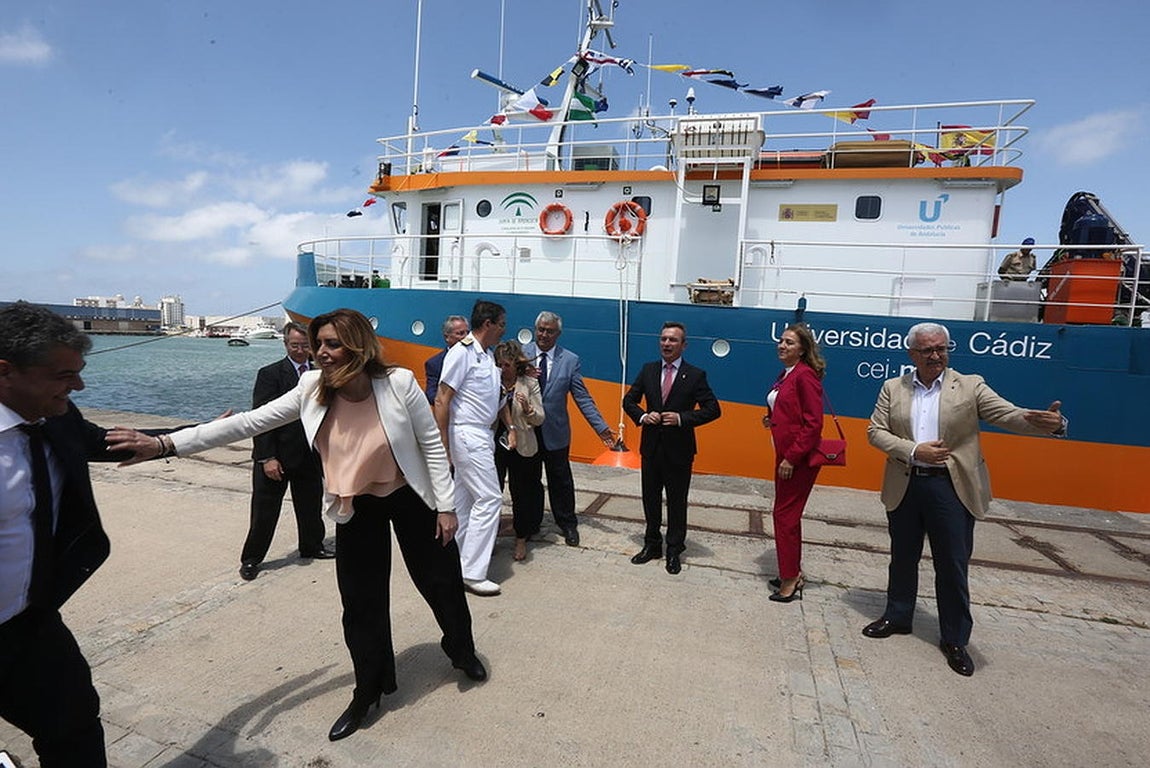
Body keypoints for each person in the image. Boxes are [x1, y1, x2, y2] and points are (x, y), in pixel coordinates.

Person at [110, 309, 486, 742]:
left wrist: (446, 505)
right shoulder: (310, 388)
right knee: (360, 604)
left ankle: (461, 650)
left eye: (331, 344)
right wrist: (164, 443)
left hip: (410, 497)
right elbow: (248, 422)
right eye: (317, 344)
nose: (320, 353)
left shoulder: (398, 384)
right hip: (355, 504)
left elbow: (431, 447)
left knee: (440, 583)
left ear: (358, 345)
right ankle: (369, 689)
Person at [0, 302, 168, 765]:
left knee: (74, 726)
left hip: (28, 623)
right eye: (62, 375)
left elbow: (105, 443)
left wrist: (187, 435)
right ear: (5, 371)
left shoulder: (55, 416)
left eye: (79, 371)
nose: (78, 386)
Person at [862, 321, 1067, 677]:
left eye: (941, 348)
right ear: (912, 354)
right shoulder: (893, 387)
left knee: (952, 564)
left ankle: (955, 638)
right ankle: (897, 616)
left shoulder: (969, 386)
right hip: (906, 482)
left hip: (951, 488)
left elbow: (1009, 414)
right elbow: (875, 431)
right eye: (927, 350)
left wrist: (1049, 423)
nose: (936, 355)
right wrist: (914, 450)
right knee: (902, 558)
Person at [622, 321, 721, 575]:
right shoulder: (648, 370)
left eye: (673, 340)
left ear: (683, 345)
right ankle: (652, 545)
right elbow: (629, 400)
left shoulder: (696, 375)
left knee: (677, 502)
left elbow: (713, 409)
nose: (667, 343)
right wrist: (643, 417)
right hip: (652, 449)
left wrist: (682, 418)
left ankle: (674, 549)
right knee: (651, 500)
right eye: (664, 339)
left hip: (680, 451)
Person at [241, 322, 332, 581]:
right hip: (276, 456)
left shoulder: (320, 374)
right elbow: (261, 419)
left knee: (310, 508)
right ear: (285, 345)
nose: (301, 350)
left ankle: (312, 546)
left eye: (305, 345)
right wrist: (267, 457)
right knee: (264, 511)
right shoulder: (270, 374)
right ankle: (251, 559)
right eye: (295, 345)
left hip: (308, 457)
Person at [523, 311, 615, 547]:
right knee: (528, 480)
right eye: (541, 329)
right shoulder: (521, 355)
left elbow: (582, 398)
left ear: (558, 333)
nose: (544, 334)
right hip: (527, 431)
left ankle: (567, 524)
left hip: (556, 432)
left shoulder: (570, 360)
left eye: (549, 331)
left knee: (560, 480)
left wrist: (601, 429)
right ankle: (530, 525)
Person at [433, 300, 506, 595]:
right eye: (501, 324)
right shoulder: (461, 353)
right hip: (466, 434)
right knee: (490, 498)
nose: (504, 330)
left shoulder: (486, 357)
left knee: (463, 502)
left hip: (481, 436)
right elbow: (442, 398)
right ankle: (472, 571)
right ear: (488, 324)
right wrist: (443, 445)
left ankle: (452, 561)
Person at [762, 323, 827, 603]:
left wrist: (791, 457)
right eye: (781, 341)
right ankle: (790, 570)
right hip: (785, 454)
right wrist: (771, 418)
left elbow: (813, 424)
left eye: (789, 342)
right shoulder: (786, 374)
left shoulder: (805, 376)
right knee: (786, 516)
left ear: (802, 349)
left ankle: (790, 579)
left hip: (796, 460)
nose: (782, 346)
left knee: (785, 517)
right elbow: (788, 411)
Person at [492, 340, 545, 562]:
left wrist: (527, 408)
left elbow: (540, 418)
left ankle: (521, 538)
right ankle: (489, 537)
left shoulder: (529, 383)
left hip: (522, 443)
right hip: (496, 442)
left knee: (520, 492)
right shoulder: (491, 381)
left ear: (515, 364)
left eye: (506, 365)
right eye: (499, 365)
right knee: (492, 491)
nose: (503, 370)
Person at [424, 315, 469, 405]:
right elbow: (431, 395)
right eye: (460, 333)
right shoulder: (435, 363)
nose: (466, 337)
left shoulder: (480, 356)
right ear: (446, 337)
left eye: (467, 333)